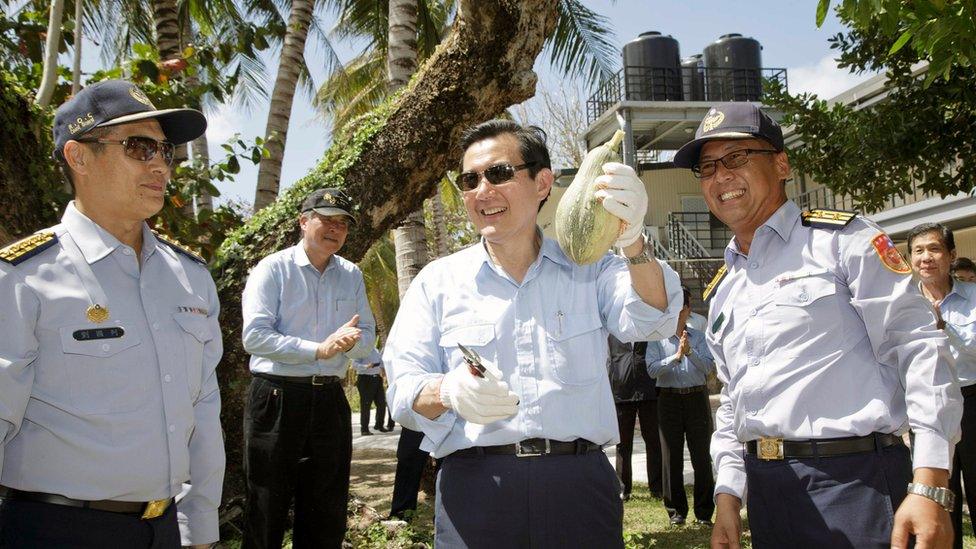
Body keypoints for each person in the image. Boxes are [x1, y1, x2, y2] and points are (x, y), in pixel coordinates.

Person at [670, 103, 963, 548]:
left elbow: (919, 346)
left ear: (782, 164)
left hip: (854, 481)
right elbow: (732, 401)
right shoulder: (724, 287)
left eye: (737, 158)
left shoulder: (844, 241)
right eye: (708, 167)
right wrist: (729, 494)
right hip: (768, 490)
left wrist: (930, 484)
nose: (720, 177)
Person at [384, 119, 683, 547]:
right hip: (477, 488)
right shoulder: (437, 282)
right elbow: (403, 393)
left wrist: (633, 241)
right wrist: (447, 392)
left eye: (499, 173)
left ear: (542, 182)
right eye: (470, 180)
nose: (482, 190)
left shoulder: (591, 267)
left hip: (578, 485)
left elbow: (655, 317)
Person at [0, 79, 223, 548]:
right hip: (57, 531)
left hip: (165, 530)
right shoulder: (23, 277)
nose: (161, 164)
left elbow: (202, 414)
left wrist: (200, 530)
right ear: (79, 157)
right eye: (139, 148)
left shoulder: (190, 277)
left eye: (166, 150)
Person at [241, 188, 377, 548]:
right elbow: (254, 337)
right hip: (277, 397)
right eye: (326, 220)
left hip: (330, 400)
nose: (335, 230)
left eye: (343, 224)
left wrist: (351, 343)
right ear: (303, 221)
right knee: (266, 507)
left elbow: (368, 335)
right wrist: (319, 349)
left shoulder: (351, 274)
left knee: (326, 511)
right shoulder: (273, 269)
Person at [908, 222, 976, 549]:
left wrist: (944, 327)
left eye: (934, 249)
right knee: (939, 496)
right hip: (929, 407)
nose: (926, 258)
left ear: (951, 255)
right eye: (918, 251)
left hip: (972, 400)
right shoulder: (904, 305)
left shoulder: (973, 297)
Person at [645, 285, 715, 526]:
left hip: (696, 398)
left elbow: (707, 367)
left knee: (702, 455)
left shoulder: (699, 337)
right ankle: (676, 511)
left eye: (681, 307)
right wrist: (675, 357)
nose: (676, 312)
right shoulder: (657, 338)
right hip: (669, 400)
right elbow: (652, 369)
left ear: (687, 309)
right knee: (671, 456)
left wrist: (689, 352)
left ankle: (704, 512)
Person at [607, 334, 663, 501]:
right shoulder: (613, 335)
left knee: (653, 441)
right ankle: (623, 488)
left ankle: (657, 488)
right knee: (623, 444)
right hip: (622, 393)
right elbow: (609, 361)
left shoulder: (647, 332)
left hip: (648, 391)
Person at [353, 347, 391, 435]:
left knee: (381, 403)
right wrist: (366, 366)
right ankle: (364, 429)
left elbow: (381, 363)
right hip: (365, 379)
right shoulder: (361, 350)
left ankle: (379, 425)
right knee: (366, 404)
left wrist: (383, 371)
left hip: (377, 378)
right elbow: (354, 364)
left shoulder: (376, 350)